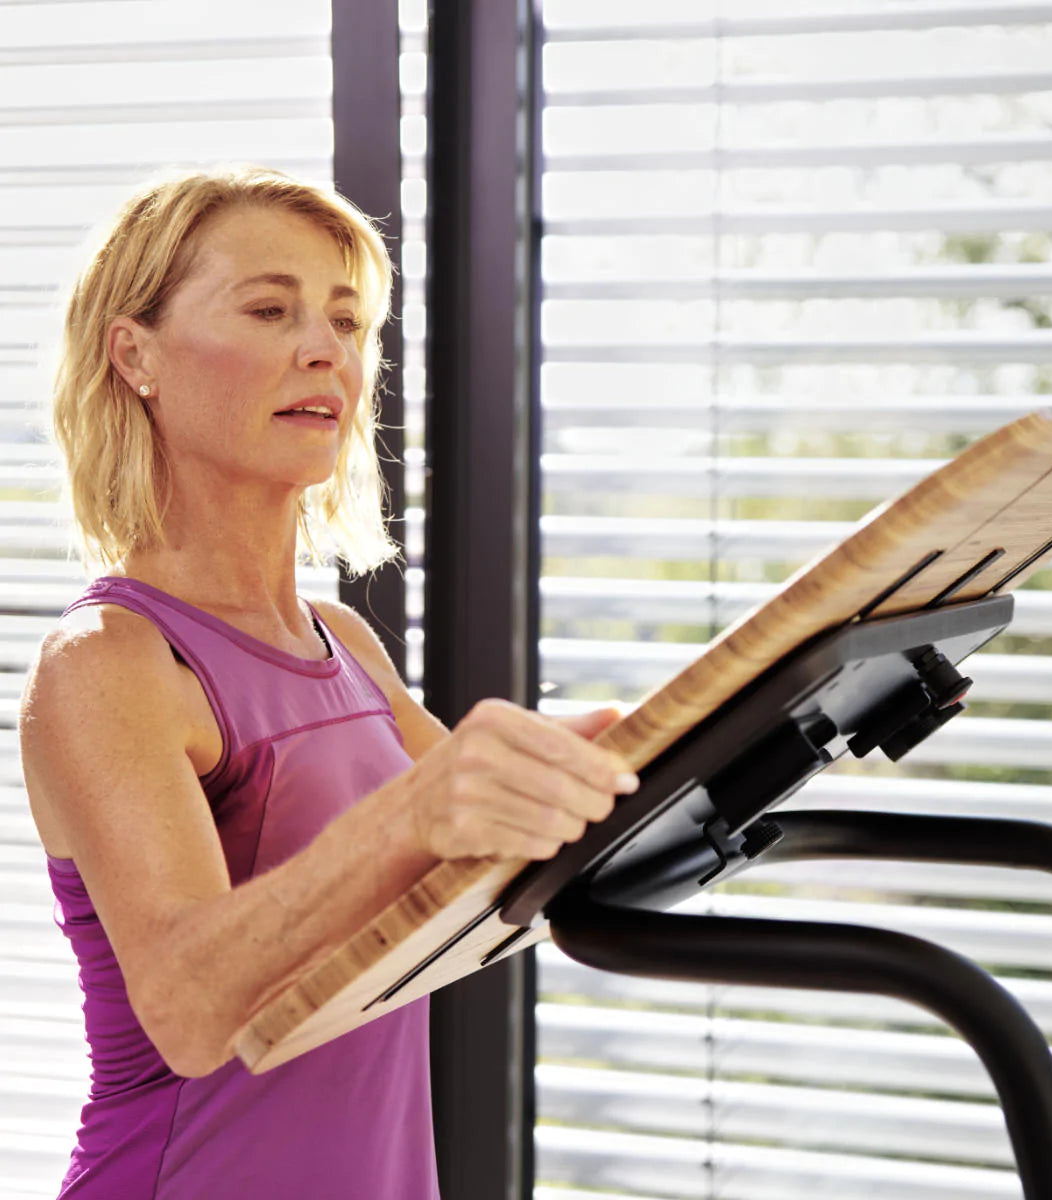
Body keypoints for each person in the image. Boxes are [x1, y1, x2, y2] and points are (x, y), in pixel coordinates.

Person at [18, 163, 639, 1199]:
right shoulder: (111, 664)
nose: (327, 350)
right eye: (269, 309)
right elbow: (184, 1004)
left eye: (348, 323)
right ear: (136, 356)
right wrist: (414, 815)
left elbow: (525, 861)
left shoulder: (345, 643)